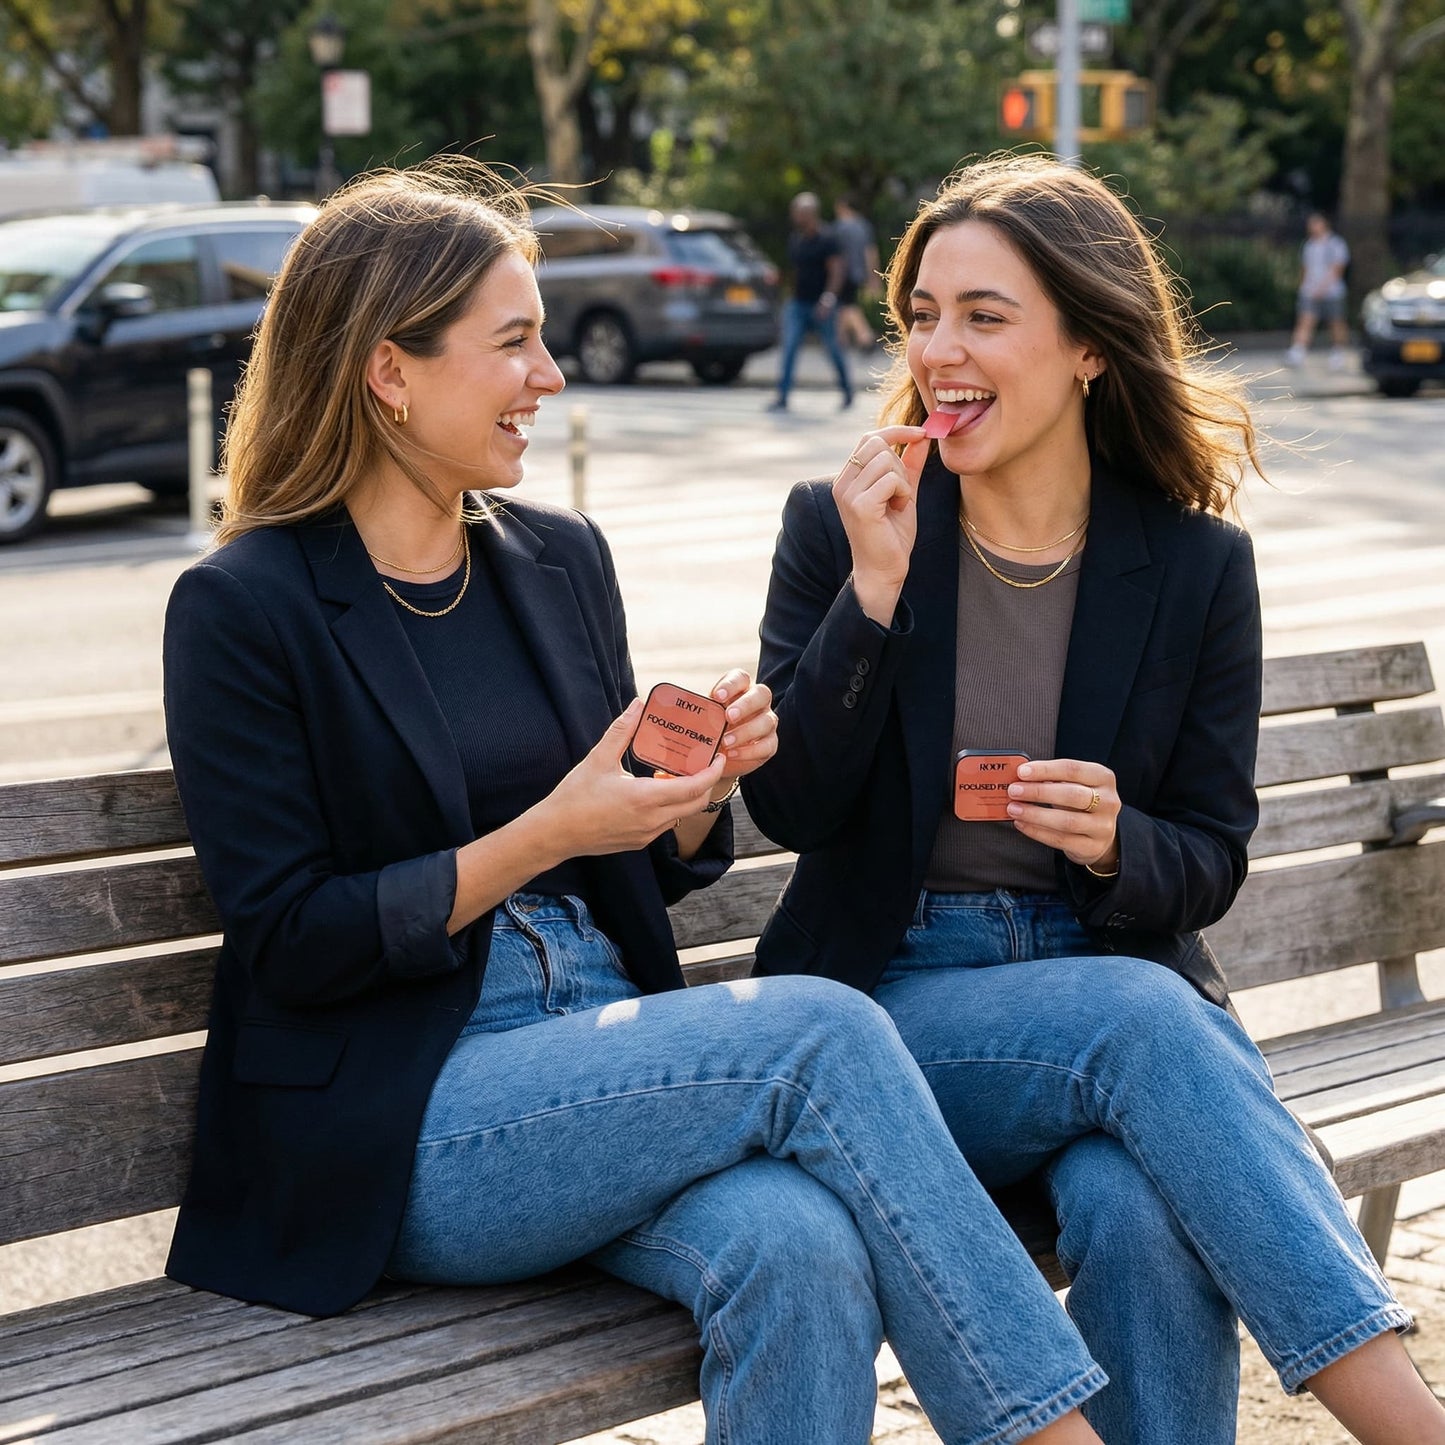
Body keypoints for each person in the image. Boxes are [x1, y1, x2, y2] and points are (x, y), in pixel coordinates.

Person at [160, 161, 1114, 1445]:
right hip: (410, 1113)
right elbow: (291, 935)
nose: (549, 374)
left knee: (797, 1241)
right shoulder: (244, 608)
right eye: (512, 343)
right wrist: (547, 831)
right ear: (389, 370)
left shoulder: (556, 559)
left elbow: (649, 862)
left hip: (603, 1051)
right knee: (818, 1032)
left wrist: (682, 797)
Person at [743, 153, 1445, 1445]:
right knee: (1142, 1016)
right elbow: (790, 802)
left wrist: (1123, 840)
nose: (938, 349)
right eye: (921, 313)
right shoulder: (844, 525)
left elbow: (1207, 858)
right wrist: (875, 593)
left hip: (1096, 976)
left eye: (984, 315)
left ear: (1087, 346)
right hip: (889, 1009)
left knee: (1138, 1206)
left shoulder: (1190, 564)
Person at [767, 191, 853, 412]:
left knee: (833, 349)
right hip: (798, 303)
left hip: (820, 304)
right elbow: (797, 270)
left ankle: (847, 391)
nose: (796, 217)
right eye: (795, 212)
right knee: (789, 347)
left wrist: (828, 298)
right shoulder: (796, 239)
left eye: (800, 212)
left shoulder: (827, 239)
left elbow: (837, 271)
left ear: (811, 213)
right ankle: (782, 396)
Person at [1288, 212, 1352, 369]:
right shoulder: (1309, 245)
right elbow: (1305, 268)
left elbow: (1337, 269)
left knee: (1336, 322)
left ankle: (1338, 353)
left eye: (1316, 223)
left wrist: (1322, 288)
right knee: (1305, 321)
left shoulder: (1335, 244)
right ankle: (1297, 352)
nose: (1312, 227)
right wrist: (1303, 287)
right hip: (1310, 292)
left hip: (1332, 292)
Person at [834, 193, 882, 351]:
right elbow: (870, 252)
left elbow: (835, 255)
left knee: (848, 306)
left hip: (843, 273)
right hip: (858, 272)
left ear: (842, 207)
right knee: (843, 306)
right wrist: (873, 276)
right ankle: (841, 339)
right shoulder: (863, 225)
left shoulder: (839, 227)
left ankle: (865, 336)